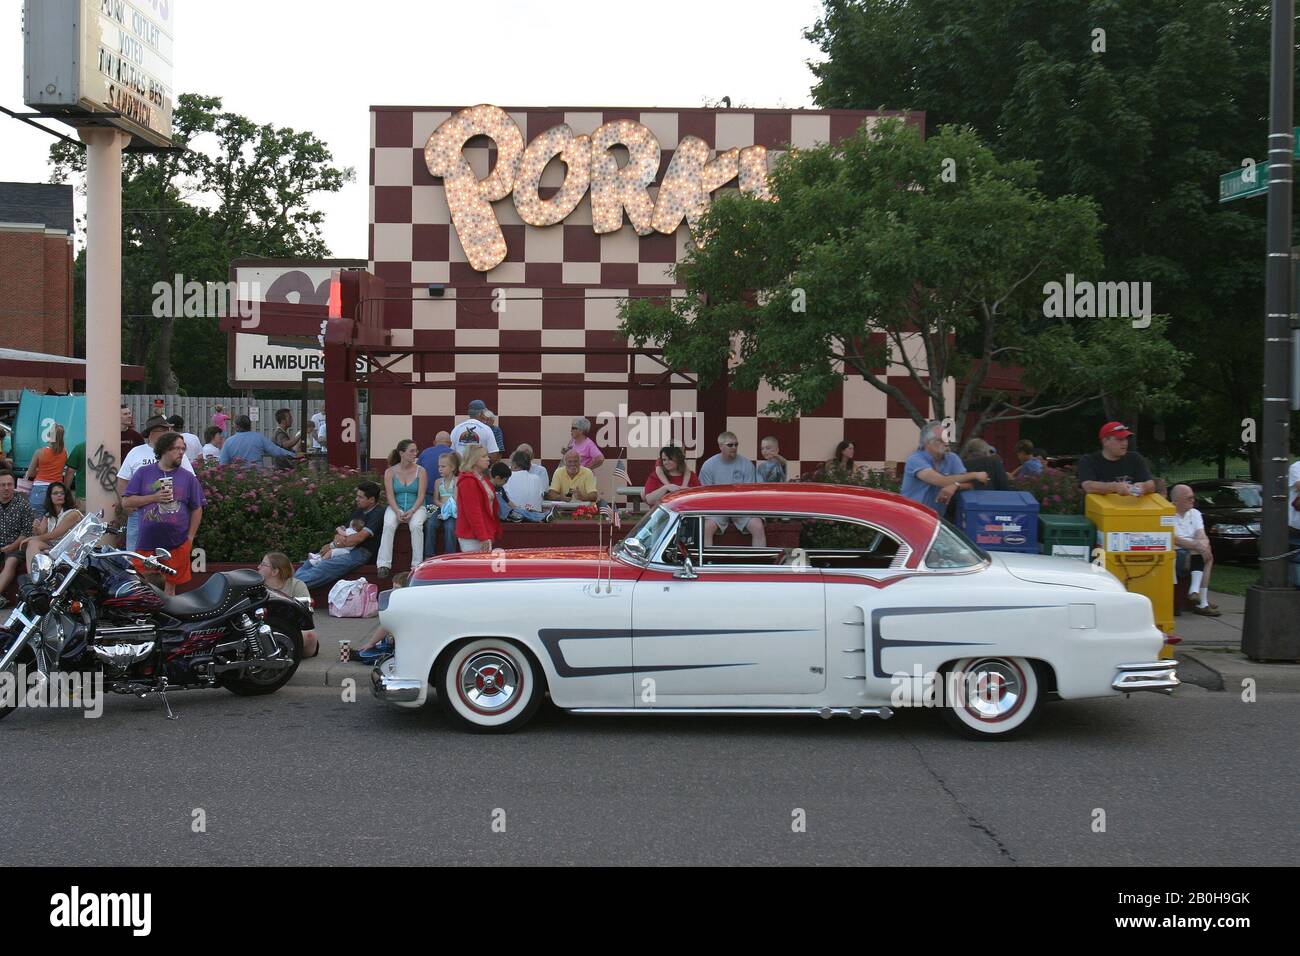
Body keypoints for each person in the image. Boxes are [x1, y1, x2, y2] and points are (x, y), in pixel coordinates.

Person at [122, 431, 205, 596]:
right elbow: (126, 502)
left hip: (176, 542)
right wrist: (154, 497)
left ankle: (169, 621)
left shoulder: (188, 477)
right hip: (147, 541)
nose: (181, 452)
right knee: (143, 585)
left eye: (183, 448)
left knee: (170, 588)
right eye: (176, 448)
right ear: (164, 450)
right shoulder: (144, 473)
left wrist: (190, 538)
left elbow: (197, 507)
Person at [118, 416, 196, 551]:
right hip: (139, 512)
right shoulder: (136, 452)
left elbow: (191, 480)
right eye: (165, 429)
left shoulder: (175, 453)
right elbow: (123, 480)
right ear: (152, 432)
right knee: (134, 554)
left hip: (170, 513)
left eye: (169, 429)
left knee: (165, 555)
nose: (170, 432)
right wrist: (126, 505)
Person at [295, 481, 385, 590]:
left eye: (360, 497)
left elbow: (360, 537)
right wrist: (334, 542)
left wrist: (333, 545)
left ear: (371, 499)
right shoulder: (359, 512)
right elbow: (340, 533)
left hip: (361, 552)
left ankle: (293, 587)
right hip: (344, 548)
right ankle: (291, 583)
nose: (356, 499)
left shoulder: (378, 513)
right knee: (311, 562)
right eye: (357, 496)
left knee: (325, 566)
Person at [900, 422, 989, 515]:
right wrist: (975, 474)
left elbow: (969, 484)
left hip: (935, 518)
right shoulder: (915, 459)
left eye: (947, 439)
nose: (946, 443)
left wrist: (955, 485)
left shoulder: (952, 458)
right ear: (927, 443)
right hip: (911, 515)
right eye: (941, 440)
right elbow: (942, 481)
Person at [698, 431, 766, 547]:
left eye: (736, 444)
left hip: (741, 507)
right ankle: (707, 563)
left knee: (758, 526)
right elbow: (704, 494)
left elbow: (749, 494)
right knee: (707, 528)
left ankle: (758, 564)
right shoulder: (708, 465)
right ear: (720, 446)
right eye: (730, 445)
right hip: (717, 508)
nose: (734, 447)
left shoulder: (746, 464)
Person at [377, 439, 428, 576]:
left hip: (417, 507)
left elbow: (421, 495)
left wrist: (412, 510)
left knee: (416, 525)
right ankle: (383, 564)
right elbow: (390, 495)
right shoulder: (390, 472)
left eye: (416, 450)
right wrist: (397, 511)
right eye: (411, 451)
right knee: (388, 525)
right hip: (396, 506)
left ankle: (416, 564)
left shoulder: (421, 471)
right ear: (402, 453)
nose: (415, 453)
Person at [1169, 484, 1219, 617]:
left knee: (1207, 553)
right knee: (1202, 552)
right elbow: (1173, 539)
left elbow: (1201, 534)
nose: (1193, 500)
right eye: (1189, 498)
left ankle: (1197, 595)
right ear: (1176, 501)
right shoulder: (1167, 513)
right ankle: (1201, 600)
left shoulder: (1195, 513)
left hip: (1192, 550)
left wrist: (1202, 544)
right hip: (1176, 553)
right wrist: (1197, 545)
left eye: (1193, 497)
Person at [258, 551, 318, 658]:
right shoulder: (257, 588)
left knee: (309, 635)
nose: (258, 567)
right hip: (264, 630)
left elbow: (306, 616)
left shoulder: (296, 585)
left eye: (263, 564)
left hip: (291, 630)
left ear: (275, 571)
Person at [1076, 422, 1155, 501]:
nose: (1125, 443)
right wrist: (1115, 487)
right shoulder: (1088, 460)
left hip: (1130, 508)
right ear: (1105, 441)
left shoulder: (1135, 458)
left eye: (1126, 439)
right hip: (1100, 510)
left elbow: (1151, 485)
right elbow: (1088, 486)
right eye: (1120, 439)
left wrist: (1144, 487)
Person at [24, 481, 83, 570]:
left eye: (62, 493)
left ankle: (38, 575)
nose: (59, 495)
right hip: (55, 547)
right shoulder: (48, 515)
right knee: (32, 544)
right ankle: (33, 576)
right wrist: (36, 529)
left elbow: (54, 535)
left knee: (32, 541)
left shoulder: (73, 513)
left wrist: (32, 538)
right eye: (55, 493)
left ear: (65, 496)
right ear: (50, 497)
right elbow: (41, 533)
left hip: (69, 550)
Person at [0, 471, 36, 605]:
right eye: (2, 485)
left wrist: (11, 547)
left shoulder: (23, 505)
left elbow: (26, 533)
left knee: (11, 562)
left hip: (17, 546)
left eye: (9, 484)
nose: (6, 488)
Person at [455, 444, 500, 551]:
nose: (488, 458)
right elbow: (473, 512)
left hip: (484, 532)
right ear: (474, 460)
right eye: (483, 456)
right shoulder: (468, 481)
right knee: (477, 566)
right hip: (472, 535)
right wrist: (483, 536)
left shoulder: (482, 479)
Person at [219, 415, 298, 467]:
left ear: (236, 426)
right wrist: (294, 455)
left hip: (238, 481)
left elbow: (223, 464)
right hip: (257, 480)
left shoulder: (228, 442)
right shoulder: (259, 438)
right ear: (250, 425)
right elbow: (276, 451)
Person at [25, 423, 68, 514]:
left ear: (49, 434)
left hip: (40, 489)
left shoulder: (40, 452)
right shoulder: (64, 453)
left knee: (38, 521)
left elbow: (30, 473)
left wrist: (39, 470)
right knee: (55, 520)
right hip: (57, 490)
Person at [425, 451, 461, 557]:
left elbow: (455, 498)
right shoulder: (438, 482)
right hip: (440, 507)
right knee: (430, 524)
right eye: (439, 466)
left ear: (453, 467)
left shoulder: (457, 481)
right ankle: (429, 554)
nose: (440, 469)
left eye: (443, 466)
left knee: (450, 527)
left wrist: (447, 508)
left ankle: (449, 555)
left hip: (452, 509)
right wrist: (441, 506)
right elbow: (435, 499)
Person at [417, 431, 453, 504]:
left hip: (427, 495)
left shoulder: (425, 453)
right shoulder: (454, 455)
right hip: (449, 497)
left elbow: (417, 472)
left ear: (434, 442)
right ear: (450, 443)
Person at [65, 440, 87, 509]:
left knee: (83, 519)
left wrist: (66, 491)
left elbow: (70, 472)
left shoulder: (80, 448)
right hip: (105, 496)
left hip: (83, 495)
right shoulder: (111, 447)